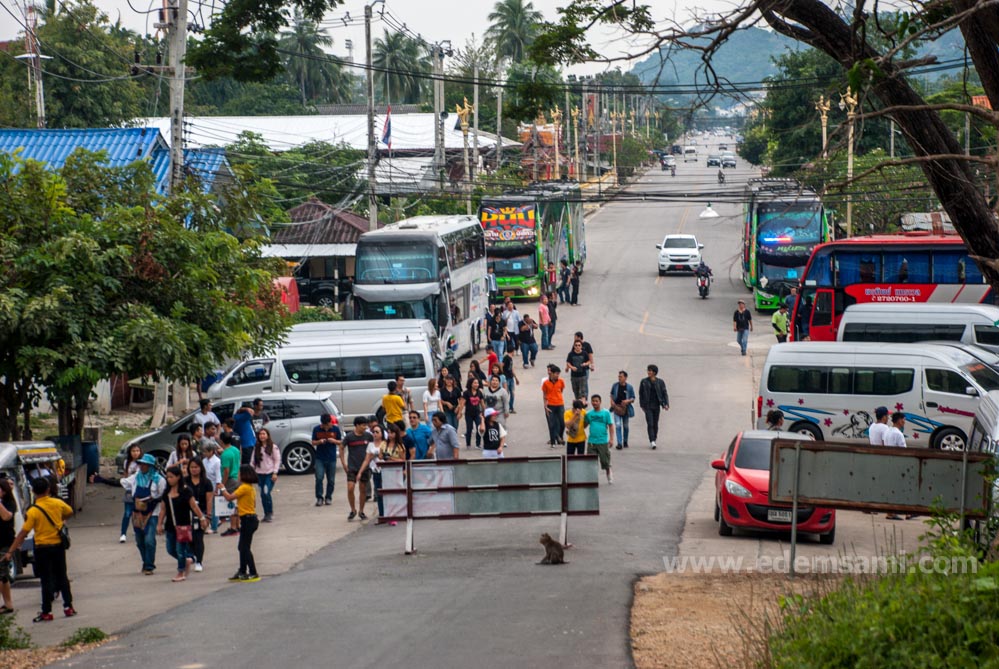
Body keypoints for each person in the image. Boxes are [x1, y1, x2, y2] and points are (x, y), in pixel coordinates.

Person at [3, 477, 75, 621]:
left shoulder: (33, 511)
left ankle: (47, 612)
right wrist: (59, 521)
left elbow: (23, 532)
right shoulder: (58, 503)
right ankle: (68, 607)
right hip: (58, 546)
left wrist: (11, 551)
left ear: (34, 492)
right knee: (62, 576)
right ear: (48, 489)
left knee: (46, 579)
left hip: (42, 548)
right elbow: (69, 512)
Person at [157, 465, 206, 582]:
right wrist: (159, 524)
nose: (169, 479)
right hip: (170, 525)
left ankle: (181, 571)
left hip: (183, 525)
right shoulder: (166, 493)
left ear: (178, 477)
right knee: (170, 549)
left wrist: (202, 518)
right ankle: (187, 560)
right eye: (167, 477)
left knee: (180, 550)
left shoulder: (186, 491)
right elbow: (163, 510)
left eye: (171, 477)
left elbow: (194, 506)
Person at [121, 453, 166, 575]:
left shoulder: (159, 480)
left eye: (145, 465)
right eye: (141, 464)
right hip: (137, 514)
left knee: (149, 540)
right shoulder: (136, 477)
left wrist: (153, 499)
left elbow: (163, 496)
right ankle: (145, 561)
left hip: (153, 513)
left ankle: (149, 566)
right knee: (140, 541)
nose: (142, 466)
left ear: (151, 466)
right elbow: (123, 483)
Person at [218, 465, 260, 582]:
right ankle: (242, 571)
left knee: (244, 547)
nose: (238, 475)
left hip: (248, 520)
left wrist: (222, 488)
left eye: (239, 473)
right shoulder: (250, 488)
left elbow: (229, 497)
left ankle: (253, 572)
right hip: (250, 519)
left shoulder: (244, 488)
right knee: (243, 547)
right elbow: (252, 504)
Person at [341, 416, 374, 521]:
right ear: (357, 425)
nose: (365, 427)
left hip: (365, 467)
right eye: (363, 425)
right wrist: (344, 463)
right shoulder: (349, 437)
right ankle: (353, 510)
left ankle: (361, 511)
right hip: (352, 467)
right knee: (350, 488)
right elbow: (341, 447)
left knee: (363, 489)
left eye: (366, 425)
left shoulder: (369, 436)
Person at [185, 457, 214, 572]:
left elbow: (209, 500)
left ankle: (199, 561)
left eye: (196, 467)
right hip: (187, 513)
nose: (194, 469)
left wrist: (208, 516)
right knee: (189, 538)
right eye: (191, 467)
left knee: (198, 537)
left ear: (201, 468)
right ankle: (192, 555)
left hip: (201, 513)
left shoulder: (206, 482)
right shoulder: (185, 481)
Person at [312, 413, 341, 506]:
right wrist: (319, 441)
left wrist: (334, 441)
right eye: (324, 425)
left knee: (331, 479)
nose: (327, 427)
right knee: (319, 478)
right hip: (320, 457)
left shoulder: (335, 429)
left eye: (328, 425)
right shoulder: (316, 429)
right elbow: (313, 442)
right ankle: (319, 497)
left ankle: (328, 497)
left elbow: (341, 442)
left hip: (331, 457)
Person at [638, 364, 670, 449]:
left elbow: (664, 393)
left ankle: (654, 438)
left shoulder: (660, 382)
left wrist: (666, 404)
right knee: (650, 423)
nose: (648, 372)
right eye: (648, 370)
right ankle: (652, 440)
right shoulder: (644, 382)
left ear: (654, 372)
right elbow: (640, 393)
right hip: (647, 406)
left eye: (650, 371)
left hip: (656, 406)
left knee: (655, 423)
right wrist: (641, 404)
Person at [585, 395, 615, 483]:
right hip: (592, 441)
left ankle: (609, 473)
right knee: (591, 461)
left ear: (600, 402)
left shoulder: (606, 413)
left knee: (605, 461)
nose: (594, 403)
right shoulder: (589, 414)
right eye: (593, 401)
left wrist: (611, 439)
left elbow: (611, 426)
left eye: (596, 401)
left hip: (602, 441)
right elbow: (584, 425)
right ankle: (593, 479)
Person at [252, 428, 280, 523]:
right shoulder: (256, 447)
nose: (262, 436)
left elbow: (277, 460)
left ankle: (269, 512)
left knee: (266, 492)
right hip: (260, 474)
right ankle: (266, 513)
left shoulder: (273, 447)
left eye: (264, 434)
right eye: (260, 434)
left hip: (269, 474)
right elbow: (252, 461)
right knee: (262, 495)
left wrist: (275, 472)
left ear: (267, 435)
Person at [218, 432, 242, 537]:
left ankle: (233, 527)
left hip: (229, 480)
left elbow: (226, 471)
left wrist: (222, 484)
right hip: (236, 477)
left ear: (221, 441)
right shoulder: (235, 450)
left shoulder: (225, 454)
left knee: (231, 504)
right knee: (237, 504)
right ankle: (237, 525)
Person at [119, 443, 142, 543]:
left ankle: (138, 532)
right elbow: (125, 475)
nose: (135, 453)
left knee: (137, 513)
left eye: (137, 451)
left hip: (138, 491)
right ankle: (123, 533)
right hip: (129, 490)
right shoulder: (127, 462)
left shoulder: (142, 463)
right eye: (133, 451)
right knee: (127, 513)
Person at [0, 478, 17, 614]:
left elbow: (6, 517)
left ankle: (8, 603)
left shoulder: (9, 503)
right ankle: (8, 604)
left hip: (5, 542)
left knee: (1, 573)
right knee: (3, 575)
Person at [610, 371, 636, 449]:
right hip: (616, 408)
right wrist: (612, 402)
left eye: (621, 376)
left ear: (625, 377)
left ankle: (625, 441)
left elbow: (633, 398)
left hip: (625, 409)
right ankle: (619, 443)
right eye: (619, 376)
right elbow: (611, 395)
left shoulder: (629, 387)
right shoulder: (615, 385)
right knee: (618, 425)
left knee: (625, 426)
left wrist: (627, 401)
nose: (619, 378)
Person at [542, 365, 567, 447]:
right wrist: (545, 406)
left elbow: (561, 390)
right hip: (550, 405)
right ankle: (553, 441)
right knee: (552, 424)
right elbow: (545, 394)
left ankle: (559, 437)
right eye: (556, 374)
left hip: (560, 404)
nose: (557, 375)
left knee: (562, 423)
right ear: (551, 373)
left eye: (558, 374)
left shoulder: (561, 381)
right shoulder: (546, 383)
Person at [458, 378, 485, 449]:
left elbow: (482, 403)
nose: (476, 385)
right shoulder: (466, 393)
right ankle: (468, 444)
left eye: (477, 383)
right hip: (468, 414)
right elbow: (462, 403)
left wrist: (484, 412)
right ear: (471, 384)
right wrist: (459, 412)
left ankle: (478, 444)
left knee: (479, 428)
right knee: (469, 429)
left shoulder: (479, 392)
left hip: (477, 413)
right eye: (475, 383)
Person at [502, 347, 520, 413]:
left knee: (512, 393)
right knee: (506, 393)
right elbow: (502, 365)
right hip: (506, 378)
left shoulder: (510, 359)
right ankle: (506, 407)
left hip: (511, 377)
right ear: (512, 351)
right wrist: (502, 374)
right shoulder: (506, 358)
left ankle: (511, 407)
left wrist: (516, 378)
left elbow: (512, 369)